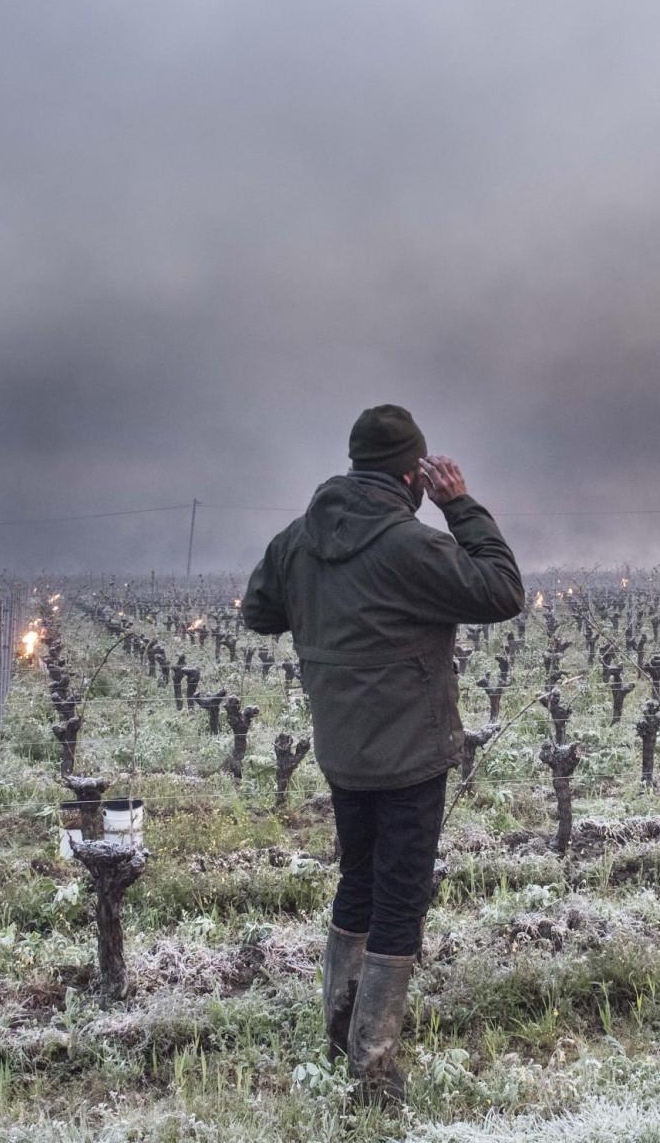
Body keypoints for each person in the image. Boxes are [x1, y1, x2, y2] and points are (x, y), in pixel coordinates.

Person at [240, 404, 523, 1103]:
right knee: (400, 896)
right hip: (409, 750)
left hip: (341, 747)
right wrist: (462, 507)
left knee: (357, 882)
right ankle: (371, 1068)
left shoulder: (296, 539)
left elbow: (258, 612)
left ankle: (339, 1029)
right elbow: (502, 592)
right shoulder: (411, 544)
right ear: (413, 473)